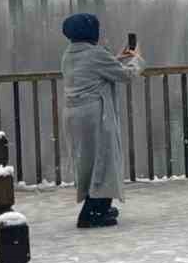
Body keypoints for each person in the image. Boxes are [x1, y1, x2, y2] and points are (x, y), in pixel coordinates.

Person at [60, 13, 141, 229]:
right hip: (95, 116)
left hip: (74, 116)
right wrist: (135, 59)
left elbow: (99, 68)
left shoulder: (69, 55)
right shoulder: (96, 54)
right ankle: (91, 214)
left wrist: (118, 58)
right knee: (104, 162)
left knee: (87, 163)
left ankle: (99, 207)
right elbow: (126, 76)